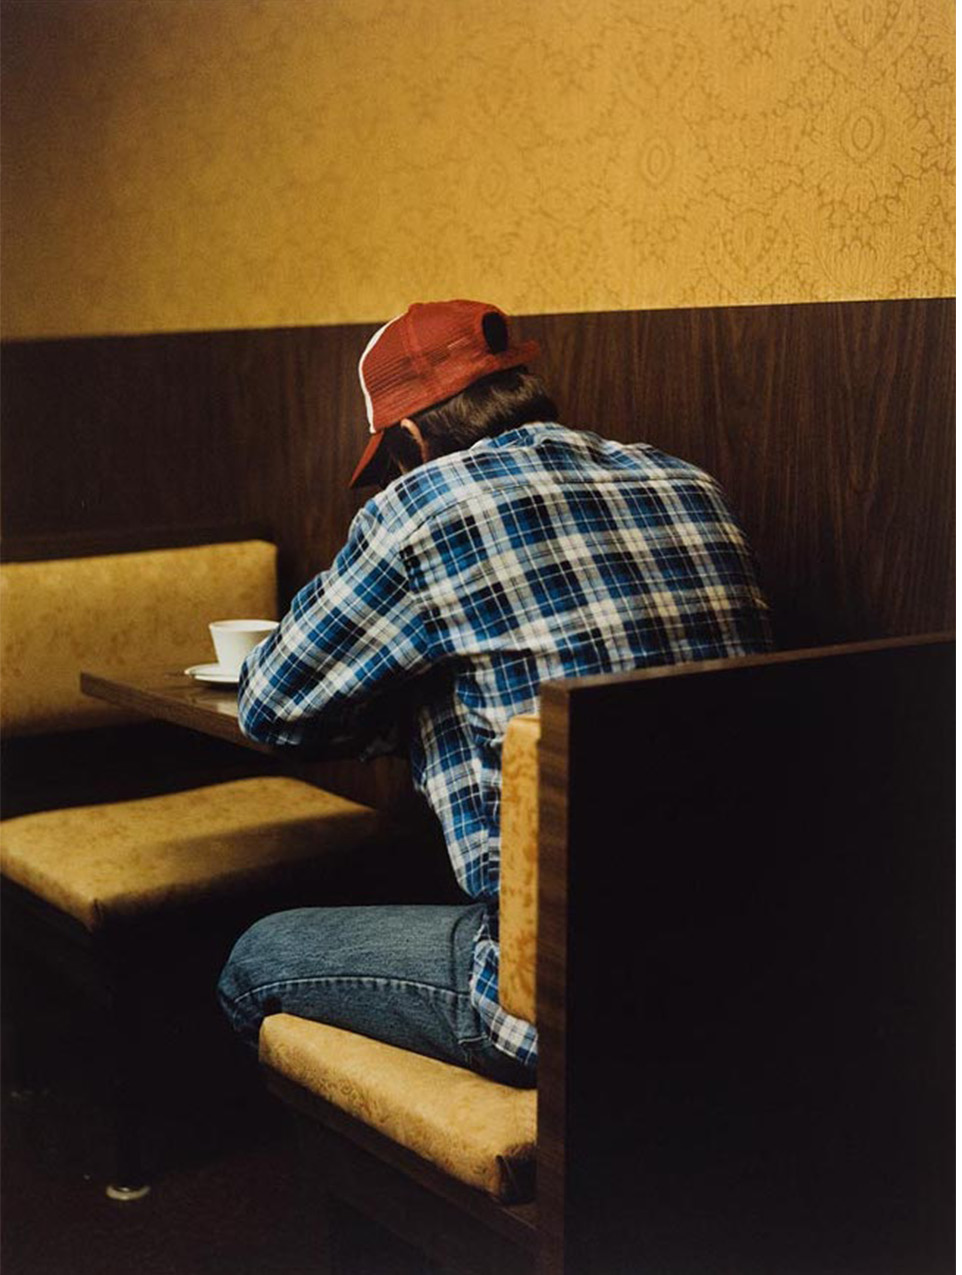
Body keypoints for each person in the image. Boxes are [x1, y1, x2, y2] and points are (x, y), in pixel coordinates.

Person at [217, 299, 773, 1086]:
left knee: (255, 959)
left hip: (559, 995)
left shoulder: (423, 505)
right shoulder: (684, 479)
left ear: (408, 440)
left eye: (388, 462)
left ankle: (362, 1199)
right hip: (748, 960)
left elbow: (270, 703)